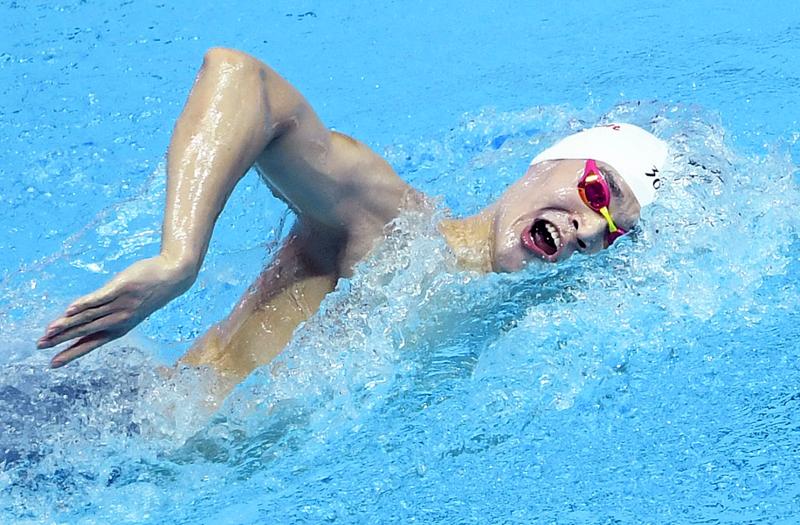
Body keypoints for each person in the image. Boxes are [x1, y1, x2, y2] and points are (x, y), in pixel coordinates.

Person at [36, 48, 668, 399]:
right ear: (546, 164)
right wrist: (180, 258)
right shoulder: (397, 229)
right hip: (95, 422)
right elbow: (242, 79)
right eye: (597, 190)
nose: (591, 228)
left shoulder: (497, 319)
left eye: (612, 231)